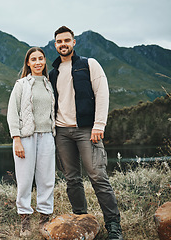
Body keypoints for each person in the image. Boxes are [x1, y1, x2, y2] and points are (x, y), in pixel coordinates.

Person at [48, 26, 123, 240]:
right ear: (55, 45)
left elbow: (102, 93)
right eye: (59, 41)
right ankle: (81, 221)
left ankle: (114, 227)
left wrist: (99, 125)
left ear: (74, 42)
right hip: (62, 132)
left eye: (67, 40)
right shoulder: (53, 73)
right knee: (72, 179)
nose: (63, 44)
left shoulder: (89, 64)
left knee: (98, 176)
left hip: (86, 130)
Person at [7, 47, 56, 237]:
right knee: (25, 179)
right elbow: (13, 113)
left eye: (41, 59)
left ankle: (44, 218)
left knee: (46, 179)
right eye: (33, 59)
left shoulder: (49, 84)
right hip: (25, 137)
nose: (37, 62)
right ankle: (25, 220)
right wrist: (16, 139)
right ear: (28, 63)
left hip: (47, 137)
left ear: (45, 61)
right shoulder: (21, 84)